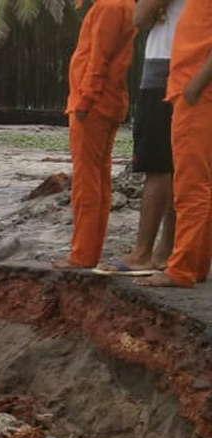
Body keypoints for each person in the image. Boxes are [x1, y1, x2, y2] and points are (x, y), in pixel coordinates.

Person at [99, 0, 185, 273]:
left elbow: (141, 17)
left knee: (158, 165)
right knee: (178, 164)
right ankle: (166, 250)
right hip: (188, 65)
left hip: (165, 65)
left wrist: (149, 10)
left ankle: (143, 252)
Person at [53, 0, 137, 270]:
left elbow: (99, 58)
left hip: (94, 104)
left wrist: (85, 101)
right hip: (105, 102)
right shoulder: (119, 5)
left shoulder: (110, 6)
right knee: (98, 178)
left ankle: (82, 255)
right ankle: (88, 252)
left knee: (87, 180)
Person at [136, 0, 212, 287]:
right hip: (186, 88)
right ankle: (195, 265)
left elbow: (140, 16)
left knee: (191, 185)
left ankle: (181, 270)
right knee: (197, 182)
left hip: (195, 92)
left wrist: (194, 86)